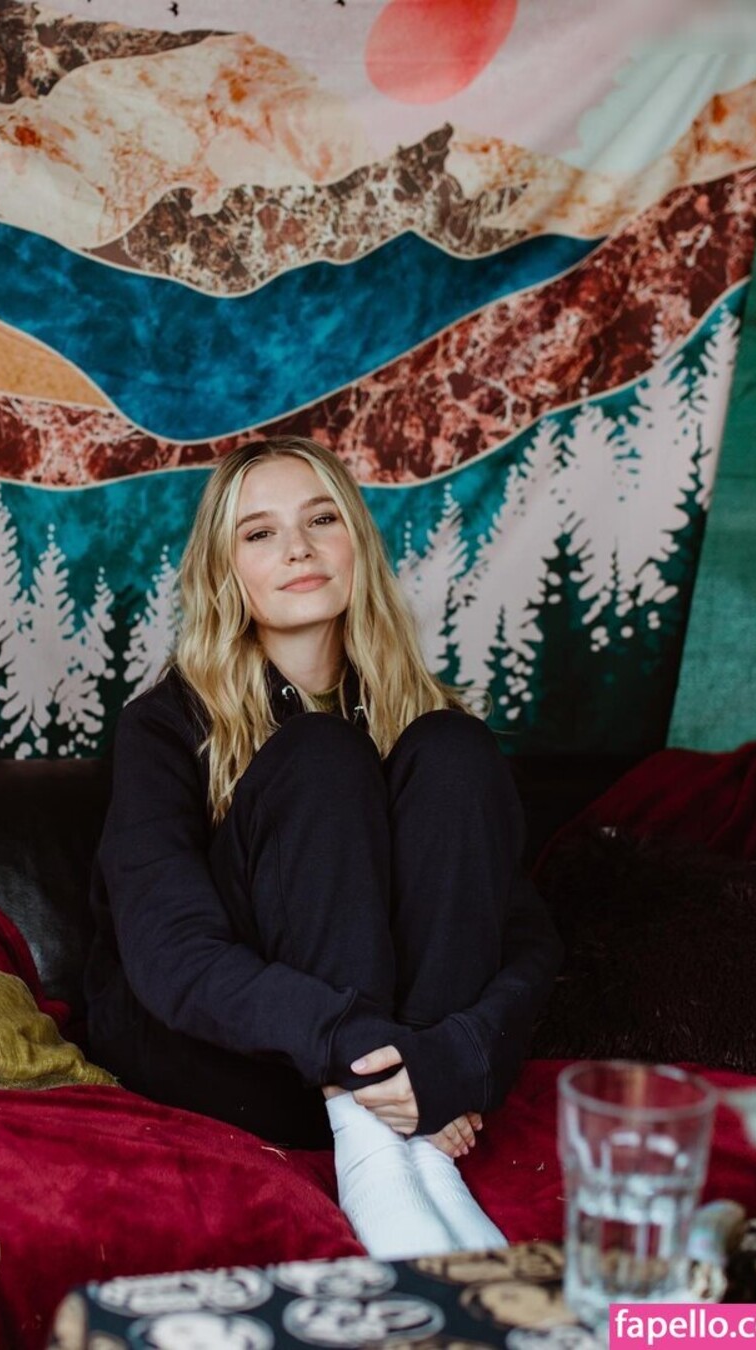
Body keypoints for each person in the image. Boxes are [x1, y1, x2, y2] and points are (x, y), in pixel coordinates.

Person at [85, 436, 563, 1258]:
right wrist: (363, 1050)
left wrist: (454, 1059)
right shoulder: (162, 727)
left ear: (356, 544)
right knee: (320, 754)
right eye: (260, 533)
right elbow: (172, 956)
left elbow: (520, 937)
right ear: (224, 570)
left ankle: (415, 1145)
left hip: (408, 1068)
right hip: (235, 1053)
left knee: (455, 747)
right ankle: (379, 1151)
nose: (298, 549)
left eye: (320, 520)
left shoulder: (424, 721)